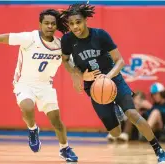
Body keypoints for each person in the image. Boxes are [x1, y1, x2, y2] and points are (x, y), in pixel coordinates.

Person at [0, 9, 78, 162]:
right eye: (46, 23)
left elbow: (70, 63)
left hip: (45, 86)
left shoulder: (60, 45)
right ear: (40, 24)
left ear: (56, 26)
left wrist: (79, 75)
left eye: (52, 23)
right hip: (24, 83)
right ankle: (32, 129)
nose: (49, 26)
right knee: (28, 107)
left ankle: (65, 148)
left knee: (56, 121)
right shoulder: (29, 38)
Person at [59, 3, 165, 163]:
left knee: (133, 114)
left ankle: (159, 150)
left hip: (113, 79)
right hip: (93, 86)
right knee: (115, 133)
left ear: (86, 20)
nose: (75, 26)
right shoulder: (67, 40)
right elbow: (66, 61)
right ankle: (116, 109)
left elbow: (120, 61)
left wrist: (107, 77)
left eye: (78, 22)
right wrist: (79, 75)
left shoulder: (100, 35)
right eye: (72, 23)